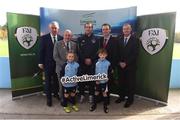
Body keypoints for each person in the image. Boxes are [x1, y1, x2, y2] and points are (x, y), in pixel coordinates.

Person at [38, 21, 63, 107]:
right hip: (47, 64)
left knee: (56, 81)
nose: (54, 29)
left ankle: (56, 94)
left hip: (58, 64)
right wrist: (40, 62)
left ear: (58, 29)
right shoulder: (44, 38)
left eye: (55, 28)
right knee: (48, 82)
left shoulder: (61, 38)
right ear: (50, 28)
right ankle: (49, 98)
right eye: (52, 28)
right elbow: (41, 51)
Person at [115, 23, 139, 108]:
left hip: (130, 66)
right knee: (121, 83)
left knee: (130, 84)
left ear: (130, 29)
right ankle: (121, 97)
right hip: (120, 66)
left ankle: (130, 100)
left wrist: (126, 63)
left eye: (127, 29)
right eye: (124, 29)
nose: (126, 30)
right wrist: (119, 62)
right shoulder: (119, 39)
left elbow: (135, 54)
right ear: (122, 30)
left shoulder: (135, 40)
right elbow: (116, 52)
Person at [78, 22, 100, 107]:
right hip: (82, 63)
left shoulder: (96, 39)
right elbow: (79, 51)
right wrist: (85, 59)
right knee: (82, 80)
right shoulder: (80, 39)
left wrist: (91, 59)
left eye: (90, 27)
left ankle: (91, 95)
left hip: (92, 63)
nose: (88, 29)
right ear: (84, 28)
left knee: (91, 80)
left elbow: (98, 51)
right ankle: (82, 95)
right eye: (87, 27)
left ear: (92, 28)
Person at [53, 29, 78, 105]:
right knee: (62, 85)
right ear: (63, 35)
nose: (67, 37)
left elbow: (76, 56)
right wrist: (65, 65)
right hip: (61, 69)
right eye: (66, 35)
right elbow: (55, 57)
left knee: (72, 85)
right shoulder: (57, 44)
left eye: (69, 35)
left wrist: (74, 65)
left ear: (71, 36)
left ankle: (70, 98)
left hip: (72, 70)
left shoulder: (74, 44)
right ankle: (63, 99)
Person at [99, 23, 117, 104]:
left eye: (106, 29)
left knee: (108, 83)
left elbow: (116, 55)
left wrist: (112, 67)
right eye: (103, 29)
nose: (105, 31)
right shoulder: (100, 40)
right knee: (100, 81)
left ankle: (107, 99)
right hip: (100, 66)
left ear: (110, 30)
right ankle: (101, 97)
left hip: (109, 66)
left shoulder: (115, 41)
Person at [91, 48, 111, 113]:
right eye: (101, 54)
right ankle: (94, 105)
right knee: (96, 92)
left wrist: (108, 78)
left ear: (106, 55)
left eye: (104, 55)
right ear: (98, 55)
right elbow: (93, 71)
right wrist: (95, 79)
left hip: (104, 82)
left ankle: (105, 107)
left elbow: (110, 72)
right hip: (97, 81)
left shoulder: (108, 63)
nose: (102, 56)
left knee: (104, 93)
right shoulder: (96, 62)